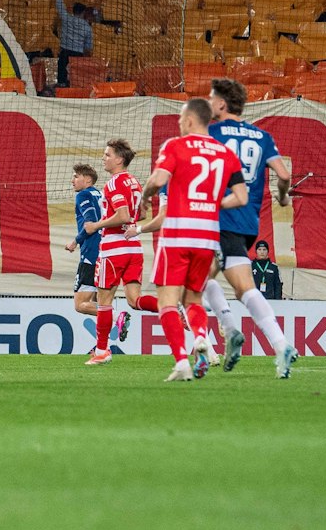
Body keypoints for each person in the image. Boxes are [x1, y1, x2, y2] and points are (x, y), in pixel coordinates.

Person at [127, 98, 249, 383]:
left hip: (178, 233)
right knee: (193, 297)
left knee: (167, 301)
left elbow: (158, 179)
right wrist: (212, 204)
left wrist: (145, 198)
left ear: (192, 120)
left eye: (182, 119)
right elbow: (242, 197)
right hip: (207, 236)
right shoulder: (225, 152)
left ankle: (182, 360)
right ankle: (202, 339)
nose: (180, 124)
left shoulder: (175, 146)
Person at [205, 78, 297, 376]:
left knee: (192, 284)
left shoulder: (211, 132)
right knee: (244, 287)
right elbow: (283, 174)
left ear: (221, 103)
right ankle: (281, 345)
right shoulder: (261, 135)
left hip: (217, 216)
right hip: (247, 223)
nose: (208, 102)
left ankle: (230, 330)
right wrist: (282, 197)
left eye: (211, 98)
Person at [85, 139, 157, 366]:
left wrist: (96, 225)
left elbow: (124, 215)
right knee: (134, 300)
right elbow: (141, 215)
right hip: (134, 248)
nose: (104, 158)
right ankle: (170, 309)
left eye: (107, 155)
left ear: (119, 159)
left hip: (114, 248)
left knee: (104, 301)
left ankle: (103, 350)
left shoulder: (114, 183)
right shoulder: (135, 182)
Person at [64, 165, 103, 349]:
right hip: (104, 253)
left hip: (90, 254)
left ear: (87, 180)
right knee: (96, 301)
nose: (72, 180)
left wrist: (75, 241)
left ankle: (116, 316)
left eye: (76, 176)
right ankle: (101, 346)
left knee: (81, 304)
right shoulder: (101, 194)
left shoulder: (83, 195)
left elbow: (90, 223)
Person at [53, 0, 97, 89]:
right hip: (78, 54)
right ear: (83, 12)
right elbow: (88, 47)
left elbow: (59, 5)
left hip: (65, 52)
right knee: (76, 78)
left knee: (62, 74)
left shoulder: (66, 18)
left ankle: (62, 88)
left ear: (73, 10)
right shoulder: (87, 27)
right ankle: (75, 90)